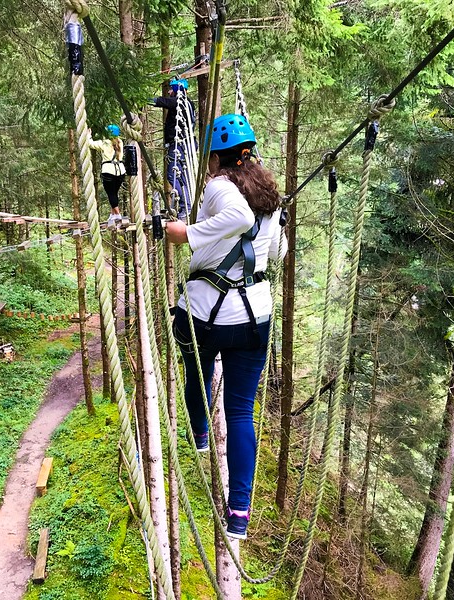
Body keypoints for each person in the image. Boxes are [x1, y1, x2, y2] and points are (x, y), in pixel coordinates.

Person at [165, 114, 286, 540]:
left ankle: (199, 432)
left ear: (216, 156)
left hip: (207, 314)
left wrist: (185, 234)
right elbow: (277, 251)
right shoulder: (270, 195)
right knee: (239, 412)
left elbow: (235, 219)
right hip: (255, 317)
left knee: (196, 373)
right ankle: (239, 511)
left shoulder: (218, 185)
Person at [149, 77, 195, 219]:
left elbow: (161, 102)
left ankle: (185, 206)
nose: (169, 92)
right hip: (183, 145)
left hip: (179, 145)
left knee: (173, 175)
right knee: (182, 177)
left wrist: (143, 99)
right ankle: (186, 205)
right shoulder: (188, 104)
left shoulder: (180, 102)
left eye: (171, 89)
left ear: (177, 90)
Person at [88, 124, 126, 227]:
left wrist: (88, 135)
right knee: (114, 193)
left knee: (111, 194)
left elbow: (90, 144)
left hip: (108, 171)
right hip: (120, 171)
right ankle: (112, 214)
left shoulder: (105, 143)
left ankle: (117, 214)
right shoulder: (120, 142)